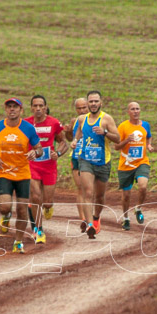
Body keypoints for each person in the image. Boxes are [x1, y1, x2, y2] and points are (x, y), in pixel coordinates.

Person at [0, 98, 42, 254]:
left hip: (22, 173)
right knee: (4, 207)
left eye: (15, 107)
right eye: (9, 107)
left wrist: (35, 152)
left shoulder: (28, 128)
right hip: (4, 172)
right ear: (6, 110)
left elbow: (39, 149)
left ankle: (18, 242)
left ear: (21, 111)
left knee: (23, 210)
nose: (12, 110)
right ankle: (6, 215)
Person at [73, 90, 119, 239]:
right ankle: (89, 224)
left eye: (96, 101)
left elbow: (117, 138)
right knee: (87, 192)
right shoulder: (81, 119)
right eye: (90, 101)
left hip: (102, 162)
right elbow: (79, 132)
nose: (93, 104)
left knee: (99, 196)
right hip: (85, 160)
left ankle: (96, 217)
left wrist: (104, 132)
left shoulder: (106, 119)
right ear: (87, 103)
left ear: (101, 103)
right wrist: (75, 141)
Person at [27, 95, 68, 244]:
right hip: (32, 165)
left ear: (45, 107)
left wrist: (57, 153)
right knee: (36, 197)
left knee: (47, 202)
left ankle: (48, 207)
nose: (38, 108)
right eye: (35, 106)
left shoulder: (54, 123)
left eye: (41, 106)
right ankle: (39, 230)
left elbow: (64, 142)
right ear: (31, 107)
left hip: (49, 166)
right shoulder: (26, 124)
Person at [115, 101, 154, 230]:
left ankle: (138, 208)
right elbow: (116, 146)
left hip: (141, 162)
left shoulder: (145, 125)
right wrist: (127, 140)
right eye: (133, 109)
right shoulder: (123, 127)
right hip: (126, 164)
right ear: (128, 112)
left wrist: (148, 145)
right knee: (126, 195)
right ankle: (126, 219)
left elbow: (148, 136)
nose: (136, 111)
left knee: (143, 186)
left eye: (137, 109)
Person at [65, 97, 89, 227]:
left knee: (90, 189)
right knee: (80, 188)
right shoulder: (74, 121)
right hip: (76, 157)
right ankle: (83, 219)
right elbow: (70, 138)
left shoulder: (96, 120)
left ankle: (92, 215)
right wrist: (68, 131)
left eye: (84, 107)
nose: (82, 110)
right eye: (79, 108)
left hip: (92, 157)